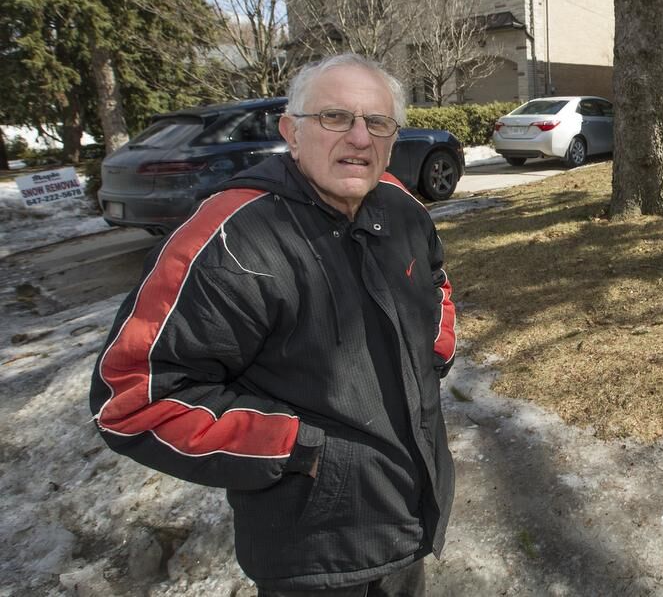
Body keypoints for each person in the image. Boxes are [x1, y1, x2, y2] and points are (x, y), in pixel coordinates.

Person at [90, 55, 456, 596]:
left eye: (377, 122)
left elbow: (436, 280)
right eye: (335, 117)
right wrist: (295, 447)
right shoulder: (229, 238)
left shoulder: (401, 207)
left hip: (410, 515)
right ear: (292, 131)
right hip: (313, 548)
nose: (359, 137)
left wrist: (437, 350)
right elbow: (131, 400)